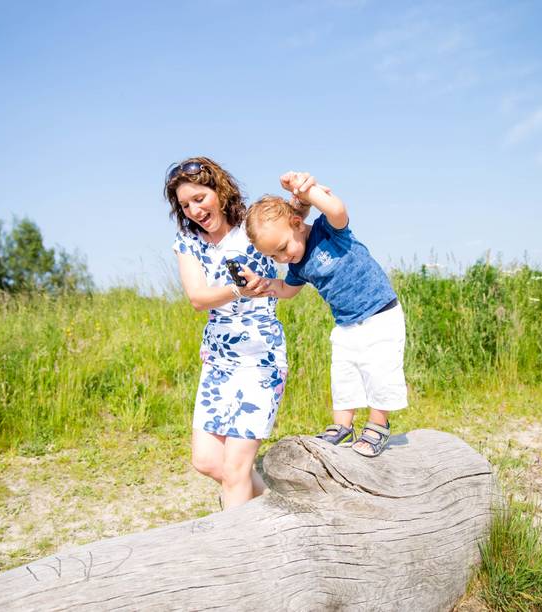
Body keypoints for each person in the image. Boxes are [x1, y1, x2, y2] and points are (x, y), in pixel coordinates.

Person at [243, 172, 406, 457]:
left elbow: (337, 209)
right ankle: (342, 426)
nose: (282, 259)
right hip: (346, 323)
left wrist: (308, 192)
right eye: (273, 257)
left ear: (296, 223)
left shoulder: (326, 230)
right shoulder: (297, 265)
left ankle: (378, 424)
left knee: (379, 371)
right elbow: (288, 290)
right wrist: (264, 285)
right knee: (343, 373)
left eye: (282, 248)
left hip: (380, 313)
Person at [164, 157, 287, 509]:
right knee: (207, 461)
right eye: (185, 205)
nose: (194, 210)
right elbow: (197, 298)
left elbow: (293, 227)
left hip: (260, 357)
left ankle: (238, 555)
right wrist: (237, 291)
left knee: (236, 470)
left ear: (219, 190)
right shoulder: (188, 243)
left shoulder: (252, 227)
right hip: (219, 360)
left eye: (200, 198)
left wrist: (304, 197)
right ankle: (275, 509)